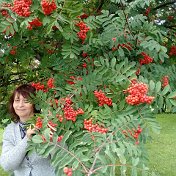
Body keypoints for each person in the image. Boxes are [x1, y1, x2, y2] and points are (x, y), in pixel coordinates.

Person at [0, 84, 55, 176]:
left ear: (35, 104)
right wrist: (27, 139)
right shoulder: (10, 130)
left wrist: (53, 139)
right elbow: (7, 166)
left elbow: (62, 159)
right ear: (12, 104)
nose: (20, 105)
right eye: (17, 100)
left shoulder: (47, 125)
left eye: (26, 101)